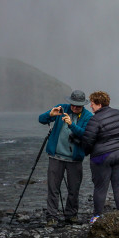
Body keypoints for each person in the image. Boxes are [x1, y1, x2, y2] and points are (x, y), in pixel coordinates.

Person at [38, 90, 93, 226]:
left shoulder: (87, 116)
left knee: (74, 189)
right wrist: (50, 114)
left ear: (83, 105)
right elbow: (41, 119)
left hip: (74, 159)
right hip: (56, 156)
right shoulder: (62, 108)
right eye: (73, 105)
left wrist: (71, 124)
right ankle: (51, 217)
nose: (74, 108)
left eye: (78, 106)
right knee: (53, 188)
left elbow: (85, 134)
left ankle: (71, 215)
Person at [80, 91, 119, 223]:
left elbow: (88, 140)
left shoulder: (95, 119)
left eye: (92, 104)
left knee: (100, 187)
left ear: (98, 104)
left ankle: (97, 217)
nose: (90, 107)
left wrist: (85, 152)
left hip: (103, 155)